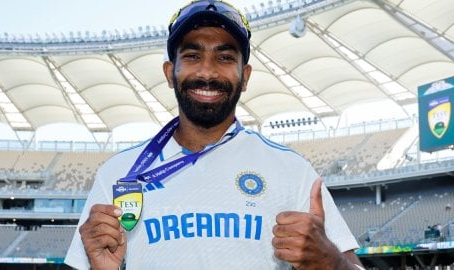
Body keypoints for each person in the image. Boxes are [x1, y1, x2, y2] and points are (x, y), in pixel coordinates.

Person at [65, 0, 364, 269]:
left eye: (224, 58)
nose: (207, 72)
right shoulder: (119, 173)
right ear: (170, 73)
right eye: (193, 55)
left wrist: (332, 263)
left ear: (244, 77)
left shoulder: (292, 171)